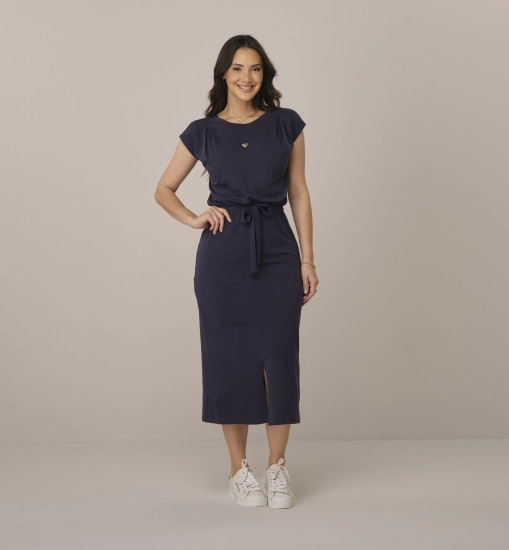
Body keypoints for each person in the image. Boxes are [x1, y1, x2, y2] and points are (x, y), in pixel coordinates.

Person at [154, 34, 318, 509]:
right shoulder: (202, 131)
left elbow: (299, 192)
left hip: (277, 248)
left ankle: (277, 467)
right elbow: (163, 189)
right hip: (223, 256)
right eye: (238, 68)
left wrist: (308, 258)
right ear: (223, 74)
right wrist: (194, 218)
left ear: (265, 75)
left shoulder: (286, 124)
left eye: (256, 69)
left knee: (279, 355)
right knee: (229, 357)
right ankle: (239, 470)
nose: (247, 78)